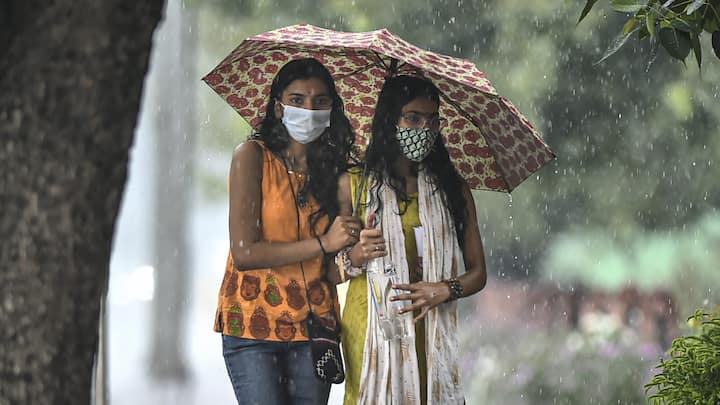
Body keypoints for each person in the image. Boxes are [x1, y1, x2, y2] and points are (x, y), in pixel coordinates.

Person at [213, 58, 362, 405]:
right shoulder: (251, 157)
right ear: (278, 107)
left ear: (331, 110)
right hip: (252, 324)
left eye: (320, 101)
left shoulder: (341, 175)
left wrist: (355, 253)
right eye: (297, 100)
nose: (309, 109)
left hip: (314, 328)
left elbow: (331, 270)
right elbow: (245, 253)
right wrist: (323, 242)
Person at [336, 75, 488, 404]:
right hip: (371, 329)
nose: (424, 129)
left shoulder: (452, 189)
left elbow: (478, 273)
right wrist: (357, 256)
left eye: (433, 120)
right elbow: (325, 273)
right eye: (413, 118)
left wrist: (445, 289)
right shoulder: (355, 184)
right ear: (391, 120)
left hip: (429, 327)